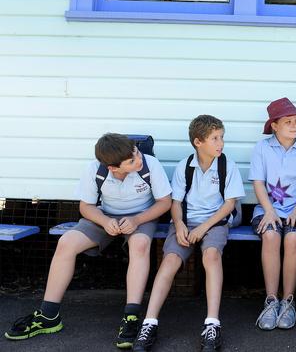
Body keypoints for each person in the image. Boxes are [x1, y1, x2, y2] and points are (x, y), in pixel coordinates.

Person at [4, 133, 172, 348]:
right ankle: (48, 315)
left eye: (137, 153)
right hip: (105, 216)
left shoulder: (150, 165)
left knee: (139, 245)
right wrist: (104, 221)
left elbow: (164, 202)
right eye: (132, 161)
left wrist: (137, 219)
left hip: (141, 216)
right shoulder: (96, 169)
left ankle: (131, 317)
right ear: (113, 167)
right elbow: (85, 207)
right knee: (66, 242)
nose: (139, 160)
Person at [132, 115, 245, 352]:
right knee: (170, 260)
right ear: (198, 142)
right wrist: (180, 225)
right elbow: (176, 202)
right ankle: (149, 322)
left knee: (211, 255)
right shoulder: (185, 166)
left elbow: (229, 205)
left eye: (222, 137)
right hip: (186, 221)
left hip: (215, 221)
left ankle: (212, 323)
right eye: (214, 138)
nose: (220, 143)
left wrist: (204, 227)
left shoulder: (227, 165)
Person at [249, 98, 296, 331]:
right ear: (274, 126)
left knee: (292, 237)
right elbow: (258, 182)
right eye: (288, 121)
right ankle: (271, 300)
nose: (294, 125)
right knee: (271, 236)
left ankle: (288, 301)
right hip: (267, 209)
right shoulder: (262, 148)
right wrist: (268, 210)